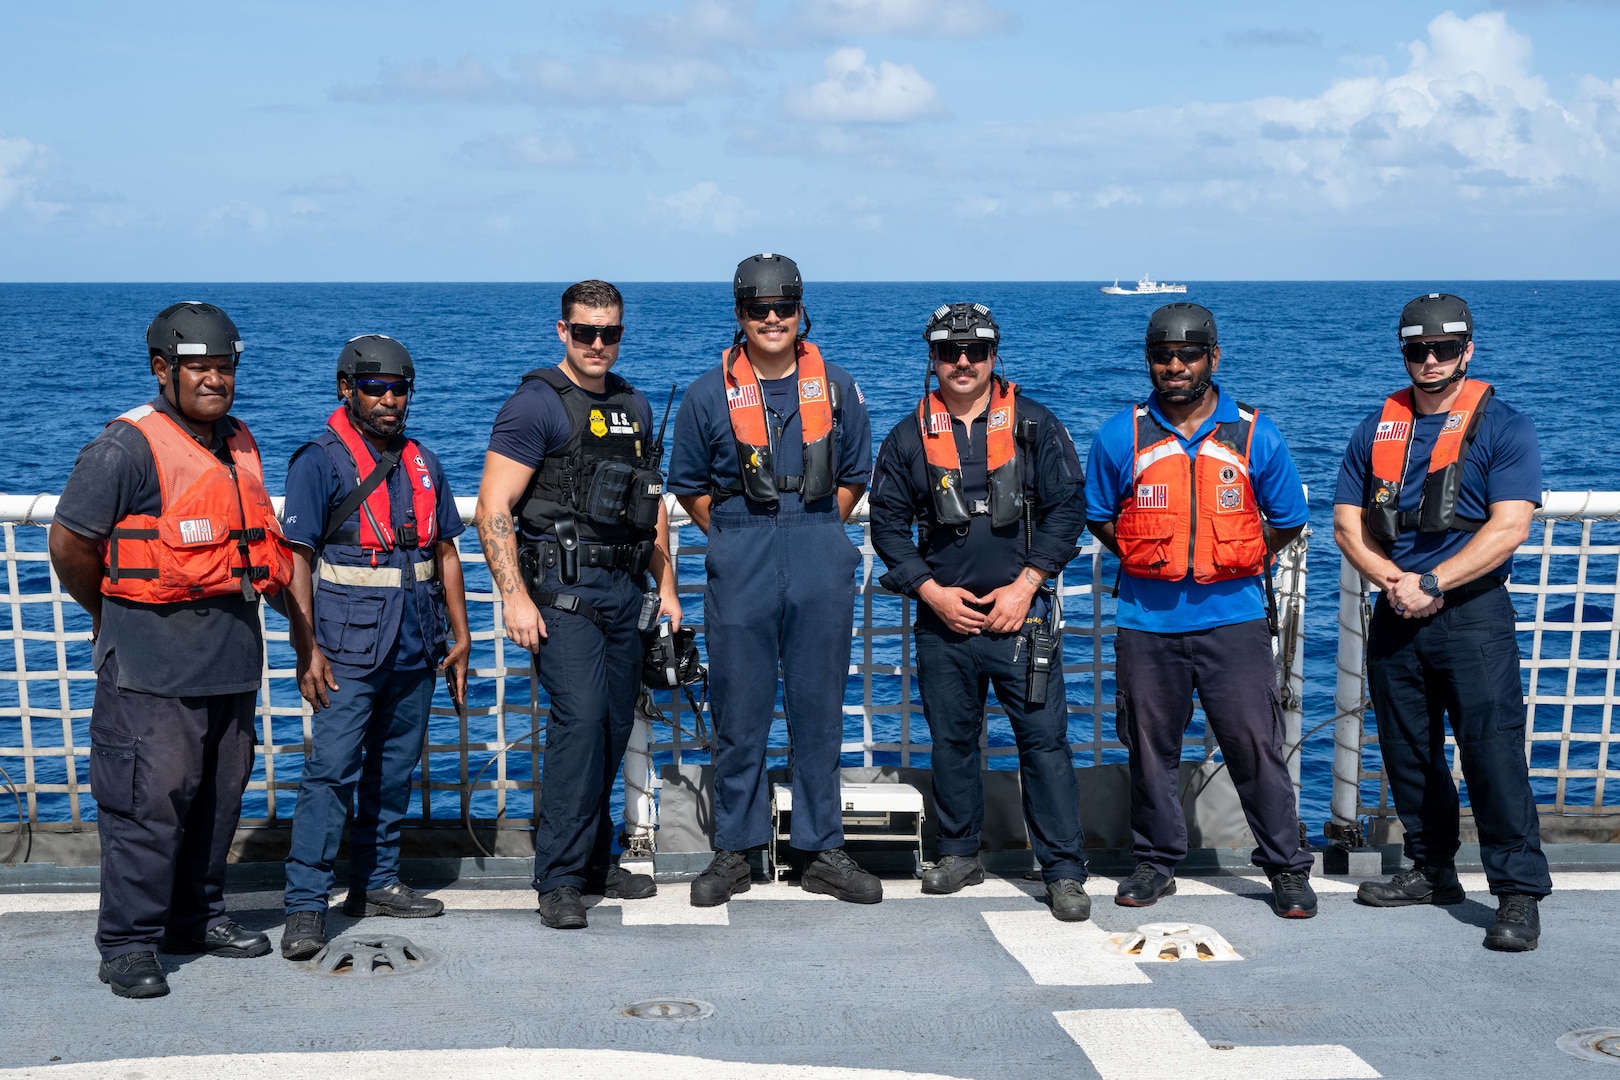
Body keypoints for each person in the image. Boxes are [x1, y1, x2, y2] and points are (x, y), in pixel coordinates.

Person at [49, 302, 294, 998]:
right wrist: (107, 615)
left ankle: (198, 917)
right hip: (151, 667)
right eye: (200, 368)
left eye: (225, 367)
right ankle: (128, 942)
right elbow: (69, 543)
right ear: (164, 370)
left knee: (217, 802)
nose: (215, 380)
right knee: (144, 806)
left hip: (231, 660)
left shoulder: (239, 440)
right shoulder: (124, 448)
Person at [1084, 302, 1317, 919]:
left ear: (1214, 357)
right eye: (1163, 355)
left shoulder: (1254, 433)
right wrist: (1147, 556)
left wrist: (1233, 560)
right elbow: (1100, 516)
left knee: (1255, 745)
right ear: (1150, 362)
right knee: (1149, 747)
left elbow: (1290, 518)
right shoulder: (1121, 434)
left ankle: (1287, 868)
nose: (1175, 365)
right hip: (1146, 623)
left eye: (1189, 353)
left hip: (1233, 621)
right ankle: (1156, 863)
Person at [1333, 292, 1550, 952]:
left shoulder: (1504, 426)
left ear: (1467, 351)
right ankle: (1433, 871)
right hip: (1397, 610)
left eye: (1443, 349)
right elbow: (1347, 526)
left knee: (1492, 754)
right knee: (1408, 753)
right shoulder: (1376, 429)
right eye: (1416, 350)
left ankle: (1517, 892)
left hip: (1473, 616)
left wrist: (1434, 581)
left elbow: (1511, 526)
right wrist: (1394, 581)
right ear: (1403, 354)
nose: (1429, 360)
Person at [667, 253, 878, 906]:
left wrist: (810, 529)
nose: (772, 319)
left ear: (801, 311)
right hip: (742, 551)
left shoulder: (837, 387)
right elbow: (690, 488)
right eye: (759, 309)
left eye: (784, 307)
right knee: (741, 712)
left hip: (819, 544)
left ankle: (821, 849)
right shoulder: (707, 395)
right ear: (740, 315)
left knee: (818, 715)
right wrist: (735, 538)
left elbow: (852, 477)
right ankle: (736, 851)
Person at [869, 303, 1090, 920]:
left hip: (1023, 620)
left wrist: (1027, 585)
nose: (962, 362)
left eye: (975, 351)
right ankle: (960, 853)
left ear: (995, 356)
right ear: (932, 359)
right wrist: (929, 592)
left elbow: (1068, 509)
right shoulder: (908, 436)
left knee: (1044, 744)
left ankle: (1065, 871)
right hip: (945, 623)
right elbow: (886, 524)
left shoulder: (1036, 425)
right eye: (948, 351)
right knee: (953, 744)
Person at [475, 280, 679, 930]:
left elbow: (653, 505)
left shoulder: (635, 405)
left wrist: (666, 586)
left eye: (609, 332)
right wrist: (513, 598)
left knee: (615, 728)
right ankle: (558, 879)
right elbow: (493, 508)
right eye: (585, 332)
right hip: (562, 597)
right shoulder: (535, 406)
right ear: (562, 331)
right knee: (579, 725)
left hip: (627, 592)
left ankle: (595, 861)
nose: (598, 344)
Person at [278, 335, 471, 961]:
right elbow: (297, 561)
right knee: (330, 773)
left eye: (399, 389)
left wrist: (461, 635)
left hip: (417, 643)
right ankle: (306, 907)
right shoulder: (318, 462)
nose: (389, 400)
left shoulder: (425, 461)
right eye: (374, 388)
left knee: (393, 773)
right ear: (346, 389)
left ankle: (377, 881)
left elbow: (445, 551)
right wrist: (305, 648)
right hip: (345, 648)